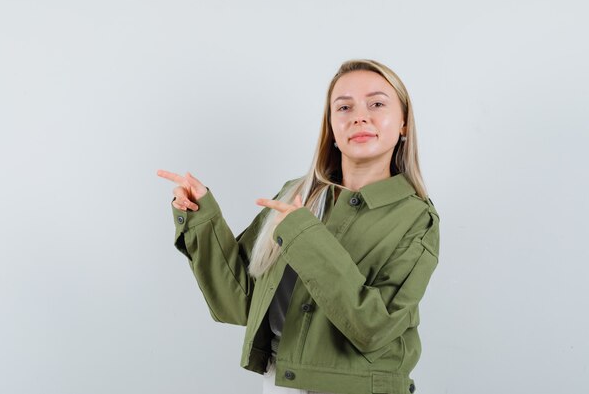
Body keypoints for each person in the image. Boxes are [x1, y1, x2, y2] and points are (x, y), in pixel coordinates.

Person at [157, 59, 440, 394]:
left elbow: (373, 328)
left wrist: (304, 237)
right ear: (331, 127)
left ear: (404, 122)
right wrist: (201, 217)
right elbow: (237, 304)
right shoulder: (296, 196)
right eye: (344, 107)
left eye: (377, 103)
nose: (359, 116)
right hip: (280, 384)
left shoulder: (416, 217)